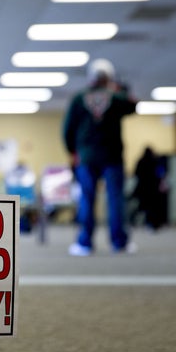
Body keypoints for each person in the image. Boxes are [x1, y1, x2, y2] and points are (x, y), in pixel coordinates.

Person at [62, 58, 138, 256]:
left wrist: (73, 152)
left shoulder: (79, 98)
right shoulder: (116, 97)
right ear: (109, 78)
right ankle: (118, 242)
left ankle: (84, 243)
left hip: (86, 158)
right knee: (115, 200)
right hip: (112, 156)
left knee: (87, 199)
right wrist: (119, 89)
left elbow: (67, 129)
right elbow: (133, 105)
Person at [129, 146, 164, 231]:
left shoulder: (140, 161)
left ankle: (132, 221)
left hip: (142, 188)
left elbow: (135, 174)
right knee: (152, 208)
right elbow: (160, 174)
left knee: (141, 207)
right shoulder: (155, 161)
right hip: (153, 189)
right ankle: (152, 224)